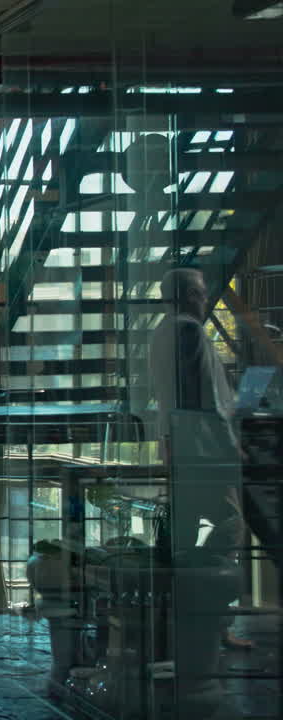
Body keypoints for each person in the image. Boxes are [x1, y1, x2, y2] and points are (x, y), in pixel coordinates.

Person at [148, 266, 251, 650]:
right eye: (202, 292)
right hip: (203, 451)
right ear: (191, 295)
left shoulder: (160, 332)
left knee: (187, 532)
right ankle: (213, 619)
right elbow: (208, 400)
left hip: (178, 447)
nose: (206, 299)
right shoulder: (190, 331)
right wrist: (230, 445)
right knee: (230, 528)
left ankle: (187, 621)